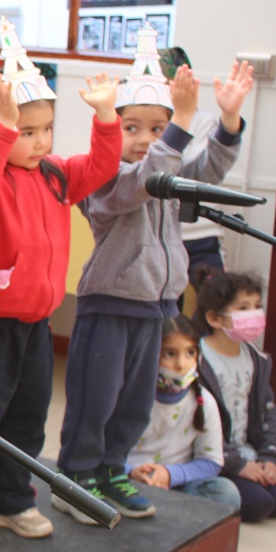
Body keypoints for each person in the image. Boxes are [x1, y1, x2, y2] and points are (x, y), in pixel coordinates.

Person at [55, 31, 253, 524]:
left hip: (156, 307)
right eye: (132, 127)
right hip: (110, 304)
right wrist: (180, 124)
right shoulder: (104, 178)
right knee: (96, 400)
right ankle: (75, 479)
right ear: (113, 129)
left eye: (157, 128)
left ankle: (111, 470)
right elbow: (142, 183)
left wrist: (227, 120)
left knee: (135, 403)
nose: (145, 139)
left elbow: (207, 167)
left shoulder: (165, 170)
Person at [0, 36, 123, 547]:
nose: (40, 141)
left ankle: (12, 498)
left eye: (46, 129)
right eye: (27, 131)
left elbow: (103, 165)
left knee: (26, 417)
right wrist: (2, 131)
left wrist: (105, 116)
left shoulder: (56, 175)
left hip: (35, 326)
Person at [126, 315, 240, 510]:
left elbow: (210, 462)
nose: (181, 364)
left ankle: (158, 511)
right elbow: (101, 454)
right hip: (128, 482)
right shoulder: (127, 397)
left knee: (226, 493)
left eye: (190, 353)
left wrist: (169, 475)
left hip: (178, 485)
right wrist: (131, 472)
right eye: (169, 354)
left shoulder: (204, 402)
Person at [194, 269, 276, 521]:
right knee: (260, 505)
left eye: (257, 306)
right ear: (214, 317)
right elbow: (196, 426)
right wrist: (237, 465)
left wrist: (270, 458)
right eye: (243, 308)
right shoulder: (197, 360)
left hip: (248, 452)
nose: (254, 314)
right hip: (216, 458)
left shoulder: (256, 359)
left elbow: (269, 412)